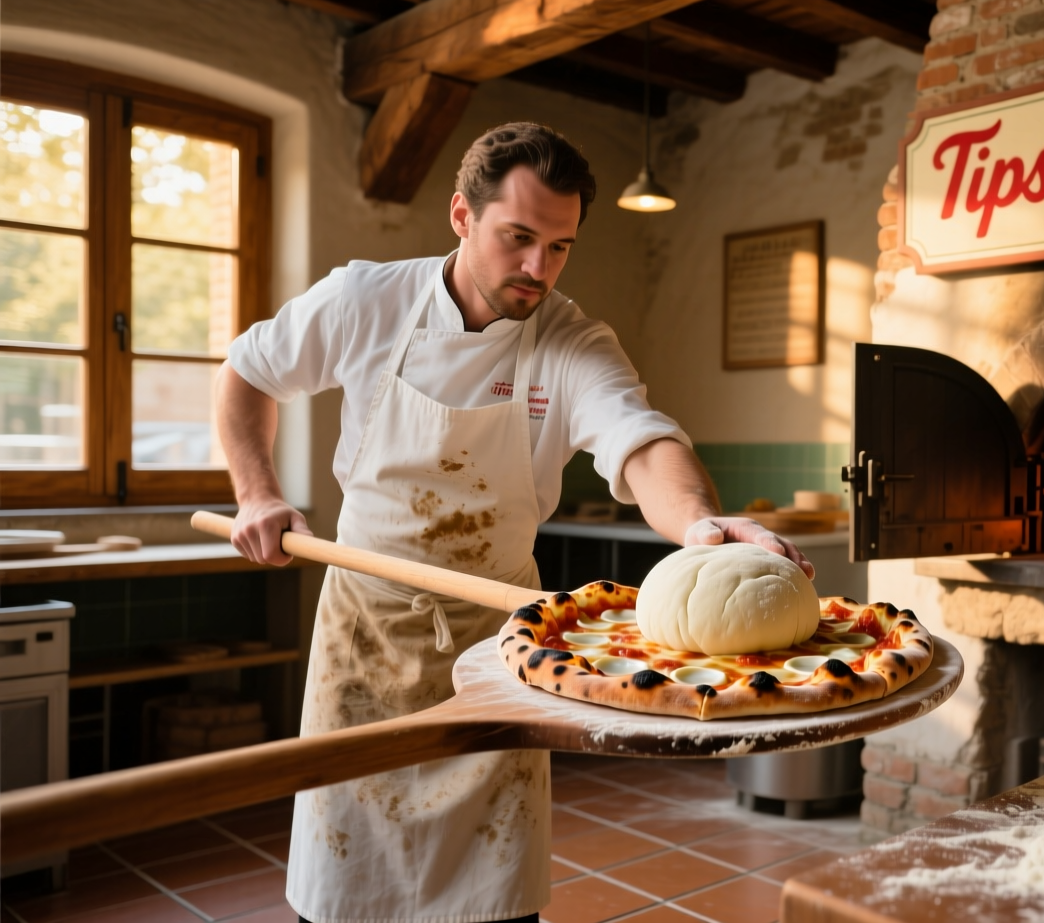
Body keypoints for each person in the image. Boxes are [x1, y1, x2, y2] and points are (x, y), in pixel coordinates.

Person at [216, 122, 811, 923]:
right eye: (519, 238)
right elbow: (248, 372)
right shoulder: (366, 300)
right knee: (344, 884)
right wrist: (257, 492)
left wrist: (700, 524)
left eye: (560, 247)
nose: (538, 268)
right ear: (462, 216)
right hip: (365, 632)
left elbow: (640, 439)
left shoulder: (569, 340)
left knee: (490, 896)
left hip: (498, 648)